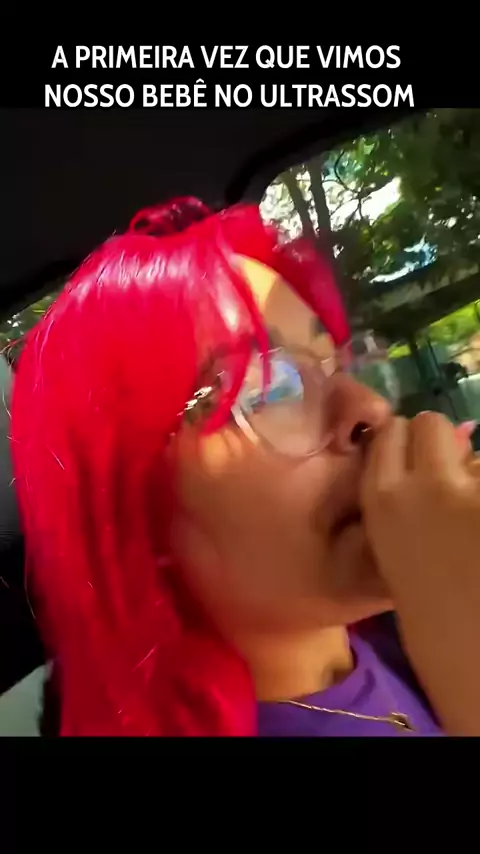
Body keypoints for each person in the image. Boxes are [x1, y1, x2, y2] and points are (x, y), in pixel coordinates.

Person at [8, 197, 478, 736]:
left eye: (338, 364)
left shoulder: (402, 640)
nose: (367, 407)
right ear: (140, 520)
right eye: (269, 388)